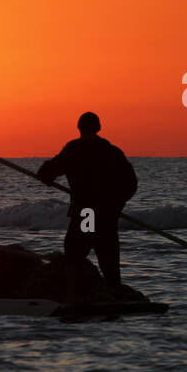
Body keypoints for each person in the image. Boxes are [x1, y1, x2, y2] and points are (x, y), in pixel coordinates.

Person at [37, 112, 137, 299]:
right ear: (98, 128)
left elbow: (46, 173)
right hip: (107, 216)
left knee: (74, 257)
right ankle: (114, 301)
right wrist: (116, 206)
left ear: (79, 128)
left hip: (87, 214)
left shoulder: (74, 149)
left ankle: (72, 298)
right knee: (109, 262)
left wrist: (47, 176)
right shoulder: (112, 151)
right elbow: (131, 183)